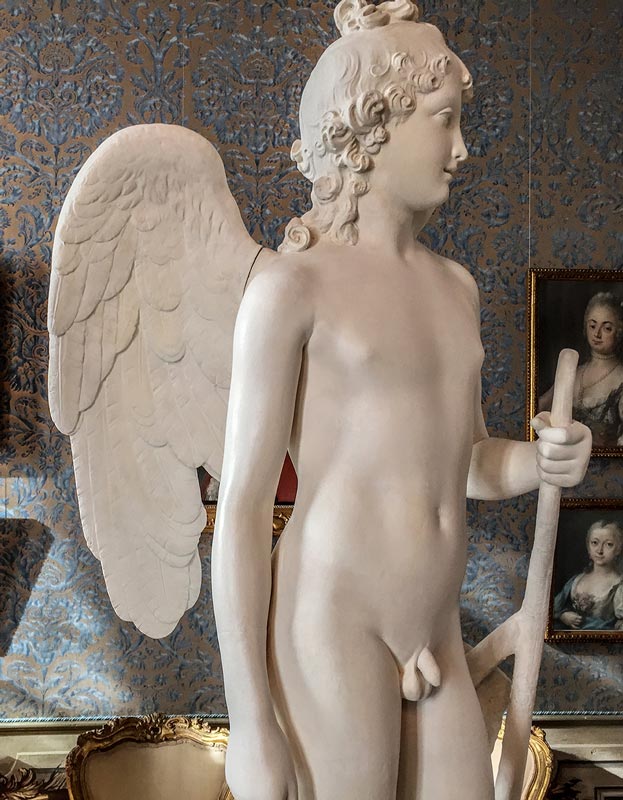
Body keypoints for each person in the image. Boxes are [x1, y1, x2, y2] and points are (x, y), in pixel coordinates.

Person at [211, 3, 592, 799]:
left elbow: (468, 463)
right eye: (444, 121)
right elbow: (242, 512)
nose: (461, 149)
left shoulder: (455, 288)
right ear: (373, 126)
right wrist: (250, 720)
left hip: (435, 624)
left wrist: (541, 461)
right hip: (329, 620)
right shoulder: (290, 288)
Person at [539, 291, 623, 448]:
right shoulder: (574, 372)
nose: (597, 334)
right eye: (593, 325)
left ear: (618, 332)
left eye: (607, 328)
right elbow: (541, 406)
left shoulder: (620, 378)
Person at [553, 521, 623, 631]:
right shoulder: (576, 580)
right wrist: (563, 615)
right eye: (595, 543)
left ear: (618, 549)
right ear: (588, 547)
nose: (600, 550)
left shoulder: (619, 585)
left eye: (608, 544)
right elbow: (553, 608)